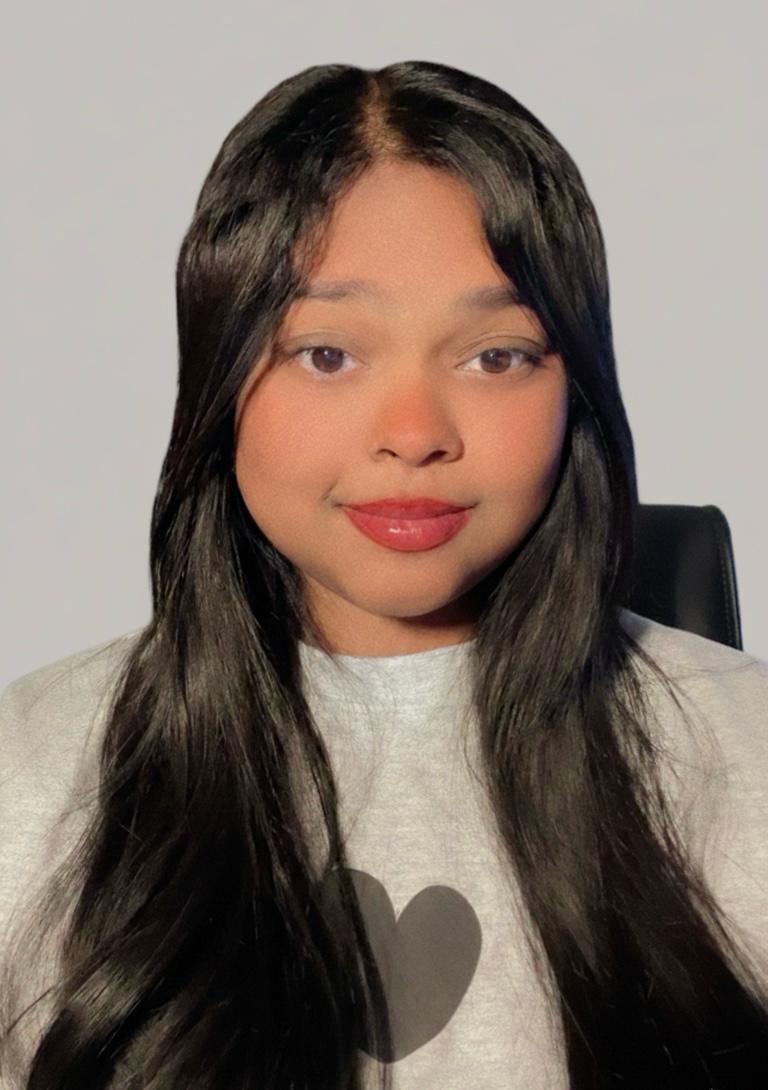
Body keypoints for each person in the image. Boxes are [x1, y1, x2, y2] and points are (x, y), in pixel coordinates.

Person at [0, 60, 766, 1090]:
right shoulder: (32, 770)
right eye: (327, 354)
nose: (413, 434)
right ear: (220, 379)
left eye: (495, 356)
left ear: (576, 388)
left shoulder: (747, 757)